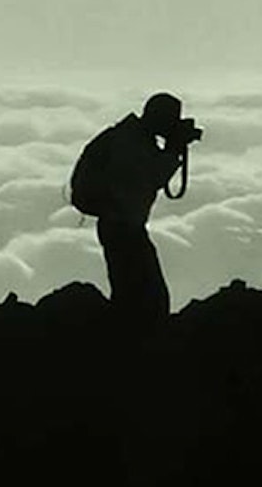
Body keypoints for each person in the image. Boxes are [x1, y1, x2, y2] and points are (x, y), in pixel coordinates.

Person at [69, 93, 203, 321]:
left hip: (122, 224)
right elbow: (151, 177)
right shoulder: (130, 143)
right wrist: (173, 149)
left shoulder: (132, 138)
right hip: (121, 226)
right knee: (144, 296)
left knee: (137, 292)